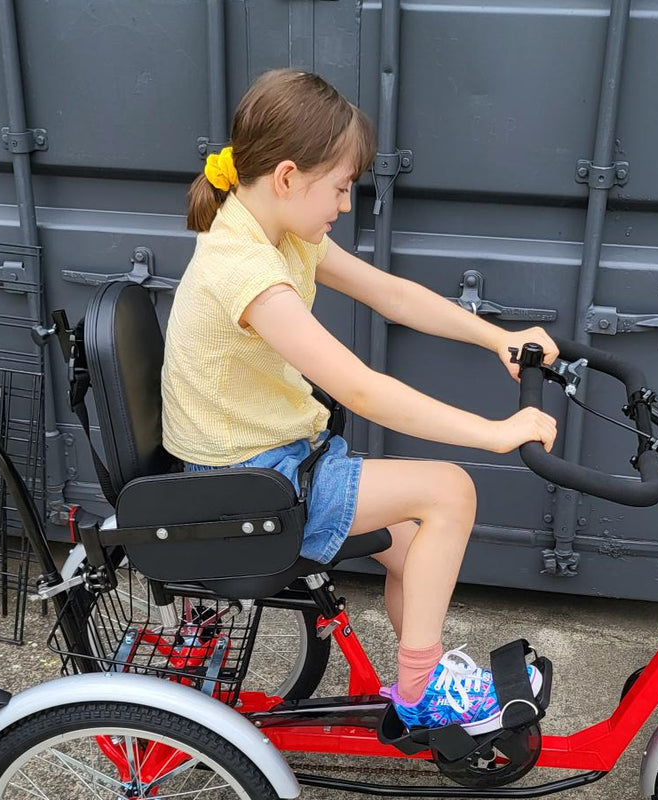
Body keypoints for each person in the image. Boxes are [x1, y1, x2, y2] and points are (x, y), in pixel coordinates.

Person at [161, 68, 559, 734]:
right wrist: (495, 433)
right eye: (341, 188)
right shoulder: (247, 270)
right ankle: (421, 689)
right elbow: (360, 388)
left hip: (279, 459)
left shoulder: (281, 233)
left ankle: (418, 674)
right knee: (451, 492)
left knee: (410, 550)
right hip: (253, 485)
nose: (344, 206)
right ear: (288, 177)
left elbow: (390, 294)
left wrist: (499, 338)